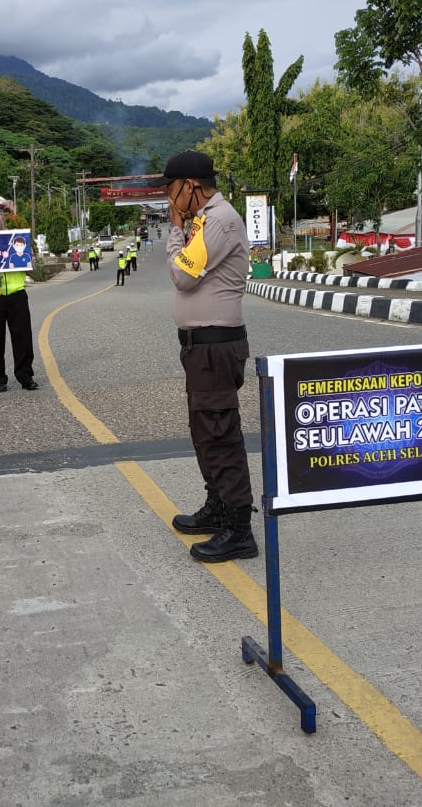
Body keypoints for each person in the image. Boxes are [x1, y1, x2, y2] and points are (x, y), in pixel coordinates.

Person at [148, 150, 257, 562]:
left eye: (170, 189)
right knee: (204, 431)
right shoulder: (204, 220)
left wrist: (175, 232)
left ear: (190, 185)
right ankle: (218, 505)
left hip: (216, 346)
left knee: (220, 433)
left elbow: (182, 274)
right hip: (201, 348)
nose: (168, 199)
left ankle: (238, 528)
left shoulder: (220, 220)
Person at [0, 269, 38, 393]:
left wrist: (29, 261)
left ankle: (25, 376)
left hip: (18, 296)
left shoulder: (20, 247)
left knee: (23, 338)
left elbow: (33, 269)